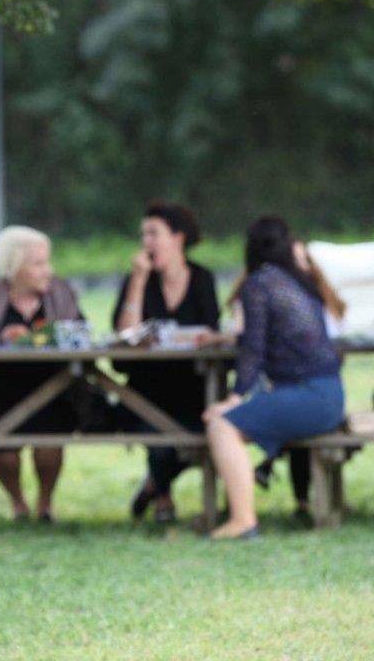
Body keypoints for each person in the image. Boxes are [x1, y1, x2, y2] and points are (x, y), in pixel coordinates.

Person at [202, 217, 345, 539]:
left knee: (222, 426)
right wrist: (227, 340)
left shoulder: (259, 283)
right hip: (328, 395)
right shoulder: (298, 282)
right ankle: (241, 514)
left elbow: (254, 349)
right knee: (227, 423)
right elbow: (273, 336)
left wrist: (233, 398)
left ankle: (242, 521)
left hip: (308, 397)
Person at [0, 225, 84, 522]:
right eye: (38, 264)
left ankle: (44, 504)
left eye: (47, 262)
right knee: (4, 453)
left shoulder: (62, 295)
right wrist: (0, 338)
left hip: (53, 391)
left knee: (49, 444)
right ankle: (18, 503)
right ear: (14, 267)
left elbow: (81, 335)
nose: (47, 270)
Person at [115, 203, 220, 523]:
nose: (146, 242)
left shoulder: (202, 279)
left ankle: (154, 485)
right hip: (147, 385)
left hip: (194, 384)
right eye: (143, 235)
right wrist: (137, 280)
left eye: (153, 234)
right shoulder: (138, 279)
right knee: (156, 428)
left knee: (202, 431)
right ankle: (162, 495)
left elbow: (211, 331)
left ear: (178, 238)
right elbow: (125, 335)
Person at [251, 240, 347, 522]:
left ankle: (273, 465)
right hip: (284, 387)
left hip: (312, 392)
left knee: (295, 411)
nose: (300, 266)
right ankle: (296, 493)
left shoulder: (318, 300)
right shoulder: (270, 297)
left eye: (304, 260)